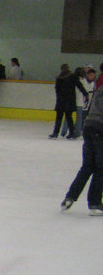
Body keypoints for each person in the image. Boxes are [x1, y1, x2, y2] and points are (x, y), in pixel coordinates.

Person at [62, 80, 103, 215]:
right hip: (100, 129)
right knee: (100, 168)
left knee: (87, 166)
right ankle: (95, 203)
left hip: (89, 126)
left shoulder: (100, 89)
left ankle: (70, 198)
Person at [49, 63, 81, 139]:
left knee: (60, 118)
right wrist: (85, 94)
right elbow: (79, 85)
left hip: (62, 100)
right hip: (68, 101)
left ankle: (56, 133)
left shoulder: (60, 78)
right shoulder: (71, 77)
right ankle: (71, 133)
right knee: (68, 117)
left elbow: (57, 89)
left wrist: (58, 97)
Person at [62, 66, 93, 138]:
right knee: (79, 118)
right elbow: (87, 90)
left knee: (68, 117)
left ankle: (64, 131)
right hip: (79, 102)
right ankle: (77, 132)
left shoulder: (71, 80)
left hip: (72, 101)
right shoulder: (84, 81)